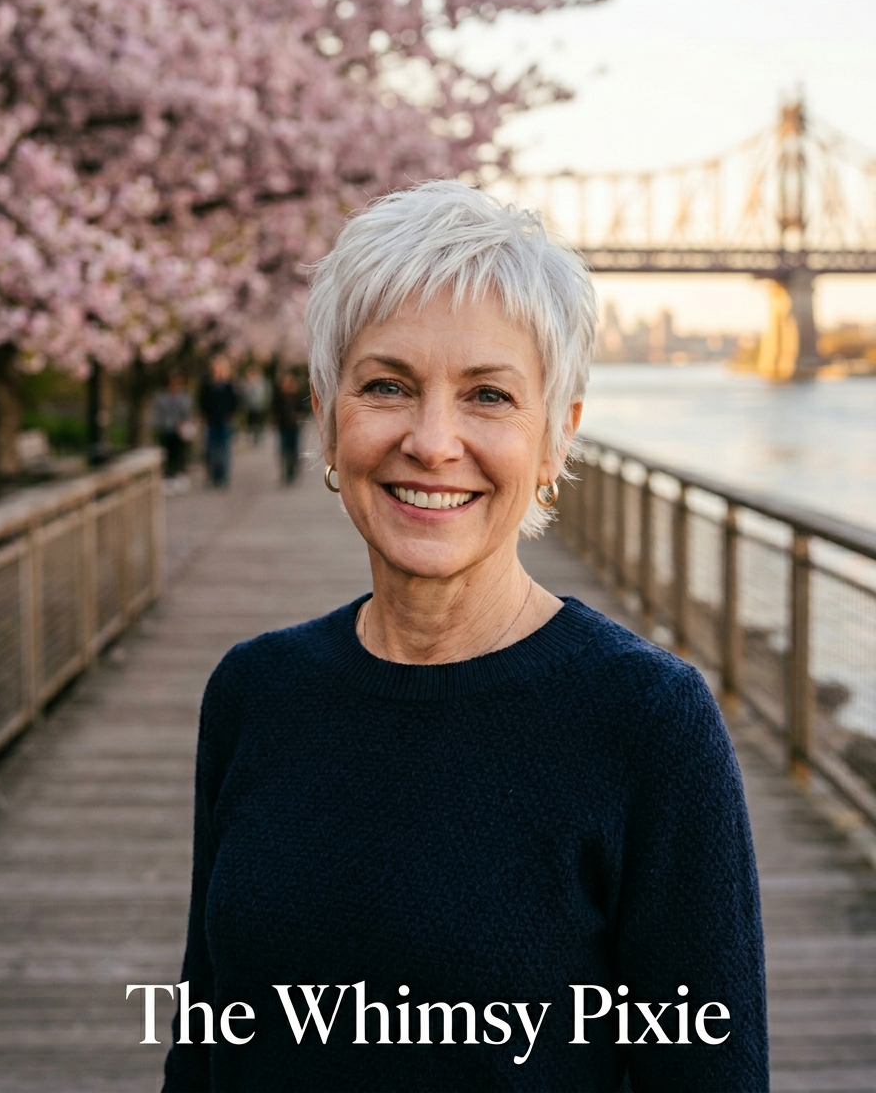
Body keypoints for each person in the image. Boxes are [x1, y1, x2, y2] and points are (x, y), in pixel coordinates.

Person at [164, 182, 768, 1092]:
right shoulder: (255, 692)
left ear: (556, 438)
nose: (433, 442)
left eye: (488, 395)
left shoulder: (648, 722)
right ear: (326, 415)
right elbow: (204, 1043)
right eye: (387, 386)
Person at [198, 356, 238, 488]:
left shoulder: (228, 386)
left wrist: (229, 414)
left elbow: (234, 402)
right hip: (211, 421)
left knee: (224, 449)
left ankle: (223, 476)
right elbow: (202, 402)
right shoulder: (207, 385)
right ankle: (213, 475)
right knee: (211, 449)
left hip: (224, 421)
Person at [151, 371, 194, 482]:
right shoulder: (162, 396)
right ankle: (167, 475)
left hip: (179, 430)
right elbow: (158, 412)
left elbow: (187, 412)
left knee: (179, 453)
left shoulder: (184, 397)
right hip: (165, 428)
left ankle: (179, 473)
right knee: (166, 453)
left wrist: (183, 424)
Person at [273, 371, 304, 484]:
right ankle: (286, 470)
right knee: (284, 450)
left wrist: (299, 416)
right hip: (283, 426)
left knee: (294, 449)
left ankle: (293, 468)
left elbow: (303, 408)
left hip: (294, 426)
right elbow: (275, 410)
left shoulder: (297, 396)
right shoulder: (279, 397)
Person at [241, 366, 270, 444]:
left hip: (260, 407)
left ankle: (258, 437)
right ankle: (251, 437)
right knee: (251, 423)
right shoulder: (248, 384)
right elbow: (245, 395)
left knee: (259, 423)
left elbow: (265, 395)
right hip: (251, 407)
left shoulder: (262, 384)